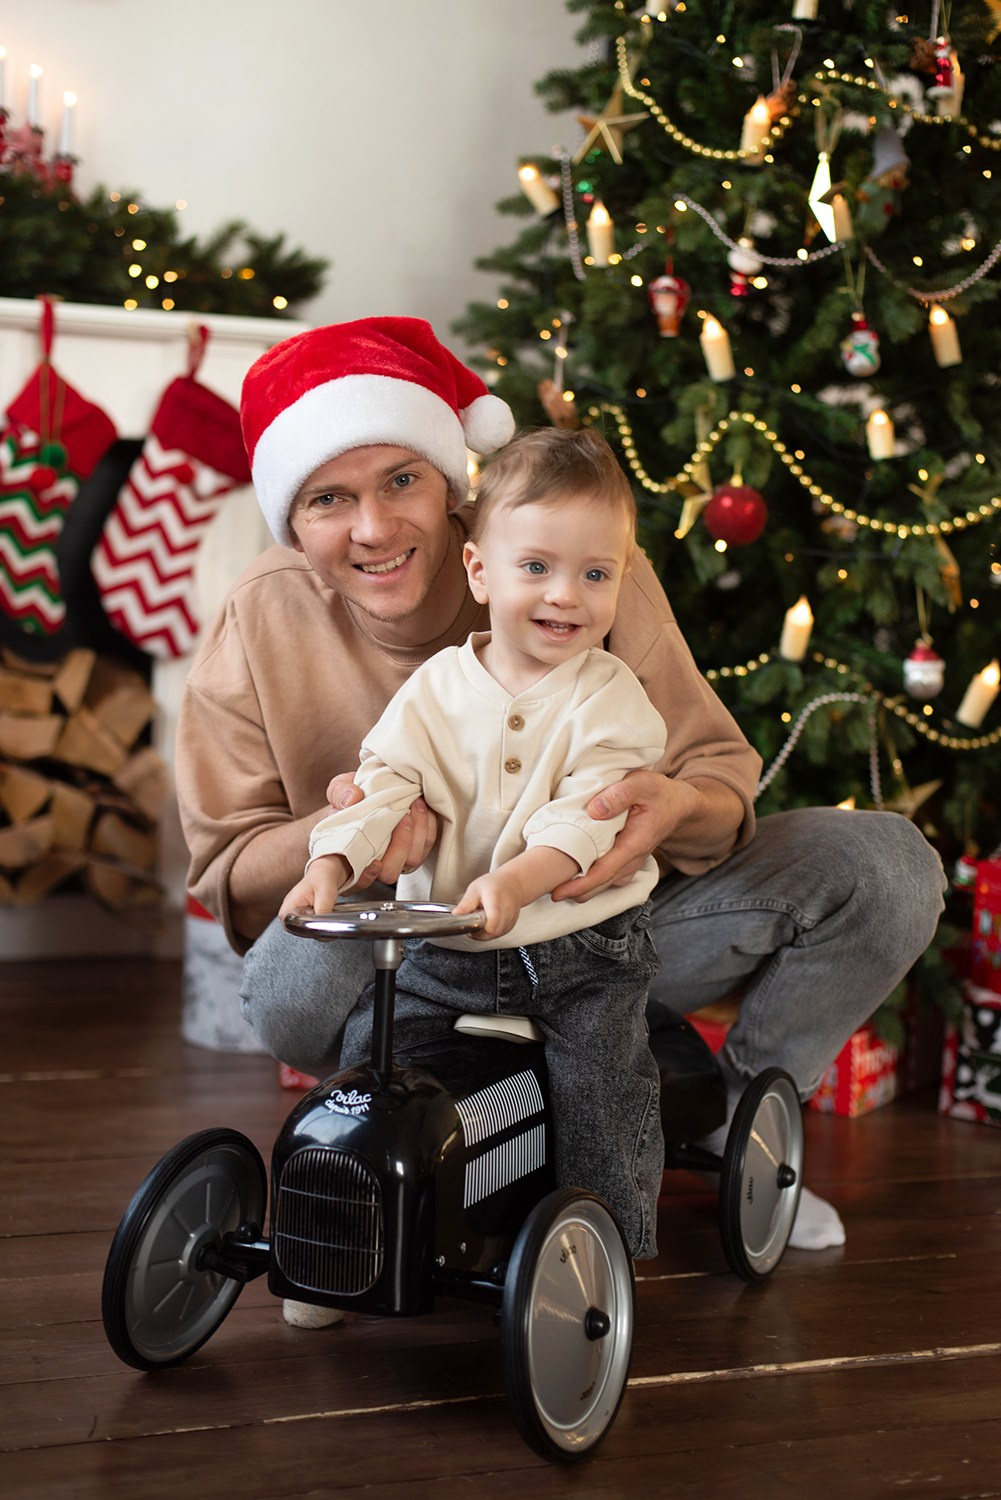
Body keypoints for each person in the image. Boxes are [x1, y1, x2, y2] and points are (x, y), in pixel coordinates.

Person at [175, 315, 946, 1289]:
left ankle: (741, 1137)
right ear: (294, 517)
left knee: (883, 863)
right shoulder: (265, 615)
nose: (371, 528)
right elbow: (230, 874)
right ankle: (388, 1157)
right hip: (413, 949)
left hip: (597, 934)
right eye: (330, 498)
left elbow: (720, 780)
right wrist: (344, 840)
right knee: (292, 981)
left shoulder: (577, 566)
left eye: (401, 481)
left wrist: (663, 806)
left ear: (451, 488)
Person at [280, 426, 668, 1263]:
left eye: (593, 575)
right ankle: (342, 1244)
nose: (565, 595)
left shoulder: (611, 698)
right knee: (366, 1072)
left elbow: (588, 815)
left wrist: (520, 881)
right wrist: (329, 864)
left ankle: (608, 1253)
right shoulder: (436, 689)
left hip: (577, 952)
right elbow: (382, 784)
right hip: (442, 946)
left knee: (603, 1088)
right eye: (536, 567)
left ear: (618, 582)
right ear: (479, 569)